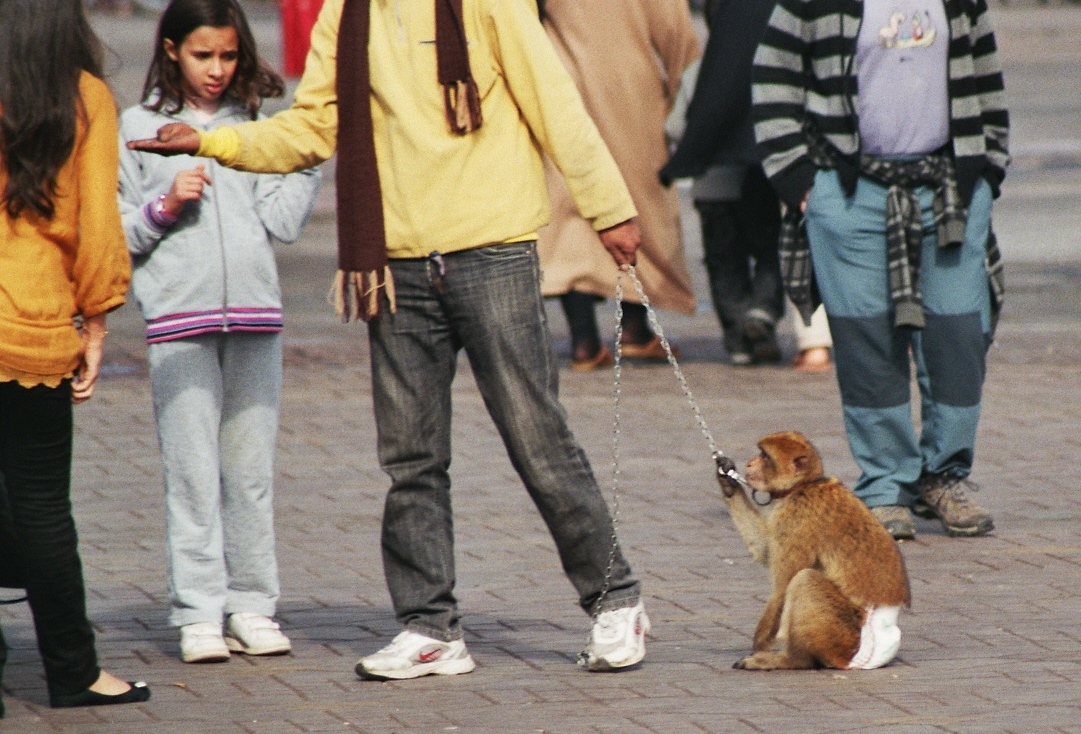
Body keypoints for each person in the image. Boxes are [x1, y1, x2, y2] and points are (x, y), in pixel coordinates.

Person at [130, 0, 649, 678]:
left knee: (536, 438)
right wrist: (209, 143)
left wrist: (608, 206)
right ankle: (430, 626)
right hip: (394, 263)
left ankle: (615, 601)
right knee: (410, 458)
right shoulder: (343, 14)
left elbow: (555, 104)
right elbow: (312, 130)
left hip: (491, 251)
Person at [751, 0, 1008, 539]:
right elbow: (772, 82)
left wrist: (987, 171)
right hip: (849, 192)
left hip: (949, 192)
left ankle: (943, 476)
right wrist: (801, 183)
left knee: (958, 336)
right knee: (868, 341)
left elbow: (986, 80)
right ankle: (887, 483)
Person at [118, 0, 321, 664]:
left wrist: (307, 157)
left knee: (250, 473)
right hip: (179, 321)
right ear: (172, 49)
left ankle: (253, 606)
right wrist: (164, 203)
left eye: (229, 56)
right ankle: (198, 612)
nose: (217, 69)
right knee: (192, 475)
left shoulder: (253, 126)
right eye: (203, 54)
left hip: (256, 321)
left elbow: (283, 222)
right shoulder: (137, 126)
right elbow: (117, 233)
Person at [0, 0, 151, 713]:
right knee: (41, 507)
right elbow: (98, 224)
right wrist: (97, 321)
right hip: (32, 328)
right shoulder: (85, 95)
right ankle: (74, 670)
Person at [538, 0, 700, 370]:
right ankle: (635, 329)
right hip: (630, 92)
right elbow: (676, 33)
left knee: (569, 216)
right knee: (635, 204)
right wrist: (681, 98)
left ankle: (583, 340)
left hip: (564, 86)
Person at [660, 0, 785, 367]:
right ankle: (763, 311)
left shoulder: (699, 71)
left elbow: (675, 127)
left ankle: (736, 338)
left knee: (723, 259)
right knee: (768, 246)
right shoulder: (763, 64)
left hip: (711, 186)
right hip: (756, 177)